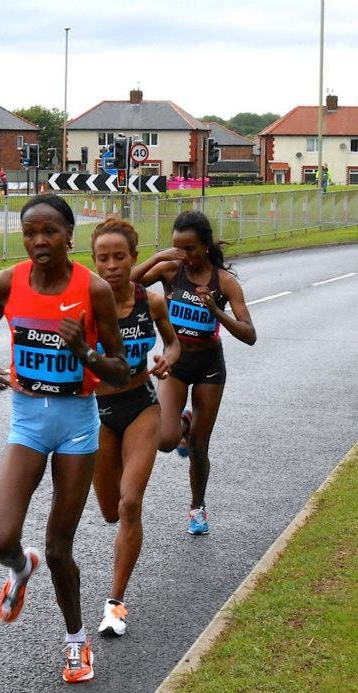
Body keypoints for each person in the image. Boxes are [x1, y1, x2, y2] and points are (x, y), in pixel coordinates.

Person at [0, 193, 130, 683]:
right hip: (27, 421)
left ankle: (76, 642)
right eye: (30, 233)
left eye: (49, 232)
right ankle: (21, 568)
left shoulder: (94, 290)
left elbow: (122, 369)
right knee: (2, 540)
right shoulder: (7, 282)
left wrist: (85, 351)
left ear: (69, 236)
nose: (39, 241)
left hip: (76, 426)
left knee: (60, 547)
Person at [130, 211, 256, 535]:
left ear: (205, 246)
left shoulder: (224, 282)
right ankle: (183, 424)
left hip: (209, 368)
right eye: (178, 247)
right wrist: (158, 257)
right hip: (176, 364)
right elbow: (125, 284)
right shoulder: (171, 270)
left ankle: (197, 508)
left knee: (199, 447)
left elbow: (249, 334)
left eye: (190, 249)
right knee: (165, 440)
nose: (184, 255)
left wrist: (216, 310)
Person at [89, 218, 180, 637]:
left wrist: (168, 359)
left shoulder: (152, 303)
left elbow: (172, 342)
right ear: (93, 262)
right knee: (110, 512)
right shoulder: (87, 305)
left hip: (141, 405)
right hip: (97, 413)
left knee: (130, 504)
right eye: (103, 258)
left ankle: (115, 605)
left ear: (133, 259)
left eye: (119, 257)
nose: (111, 266)